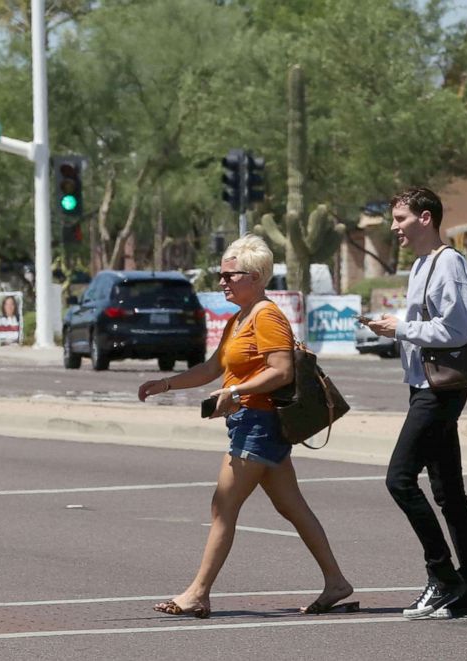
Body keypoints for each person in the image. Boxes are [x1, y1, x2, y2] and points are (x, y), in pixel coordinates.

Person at [138, 234, 354, 618]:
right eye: (220, 275)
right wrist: (166, 384)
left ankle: (198, 593)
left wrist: (235, 394)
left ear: (254, 276)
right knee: (294, 508)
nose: (222, 282)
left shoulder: (267, 316)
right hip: (250, 421)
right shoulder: (241, 318)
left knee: (224, 505)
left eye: (229, 275)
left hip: (259, 421)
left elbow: (281, 370)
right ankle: (336, 582)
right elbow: (212, 368)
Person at [362, 187, 467, 620]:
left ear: (424, 218)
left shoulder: (449, 263)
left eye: (400, 218)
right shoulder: (420, 265)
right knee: (449, 493)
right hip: (424, 386)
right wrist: (395, 328)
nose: (394, 226)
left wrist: (400, 328)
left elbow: (455, 331)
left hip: (440, 390)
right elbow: (429, 325)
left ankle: (443, 577)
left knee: (399, 480)